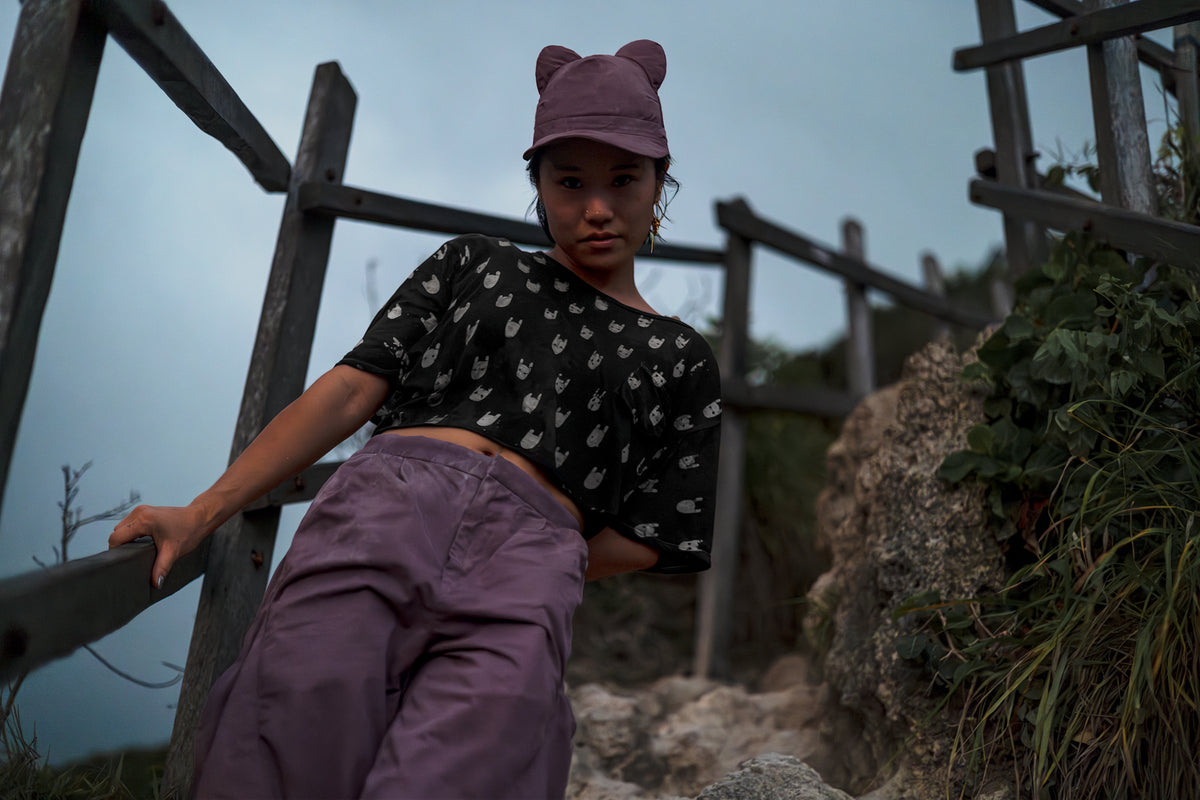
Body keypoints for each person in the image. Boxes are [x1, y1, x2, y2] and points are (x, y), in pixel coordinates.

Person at [109, 39, 721, 800]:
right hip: (385, 510)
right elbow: (348, 392)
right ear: (536, 181)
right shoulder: (475, 265)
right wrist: (200, 513)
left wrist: (540, 550)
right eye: (570, 182)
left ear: (661, 179)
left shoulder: (679, 355)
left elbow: (661, 532)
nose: (598, 208)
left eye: (624, 179)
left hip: (530, 571)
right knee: (289, 720)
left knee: (469, 763)